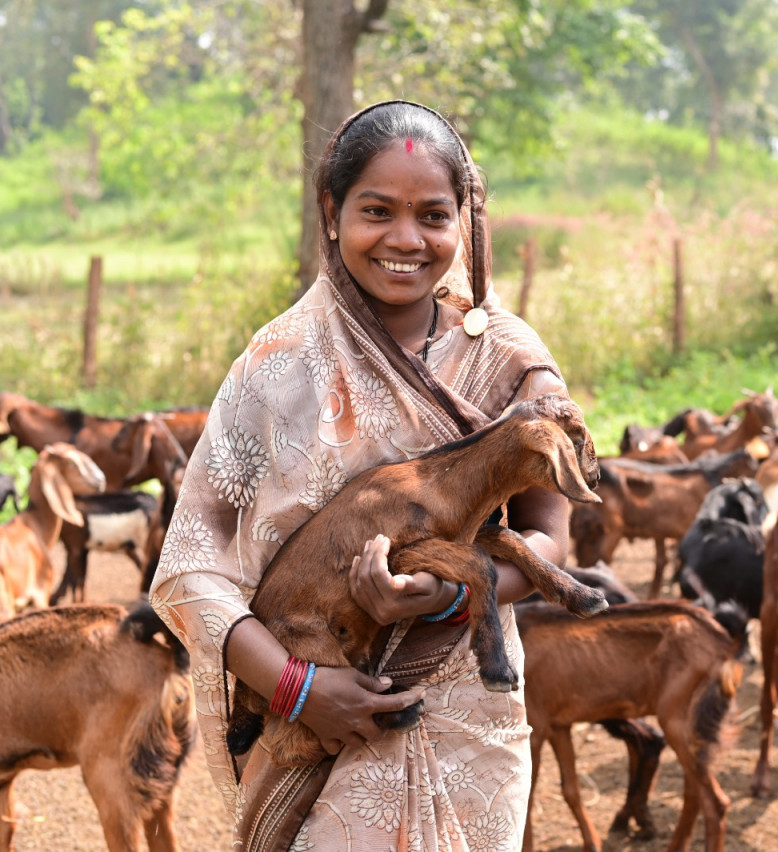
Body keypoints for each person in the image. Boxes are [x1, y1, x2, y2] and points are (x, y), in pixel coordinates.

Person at [149, 99, 575, 850]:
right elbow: (190, 569)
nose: (406, 239)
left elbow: (548, 538)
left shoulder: (509, 359)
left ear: (465, 220)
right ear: (331, 211)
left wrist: (451, 596)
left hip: (474, 731)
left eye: (433, 216)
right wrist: (298, 688)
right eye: (377, 211)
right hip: (319, 729)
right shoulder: (275, 366)